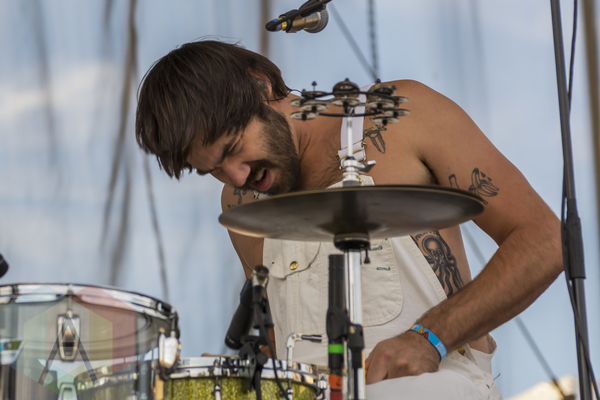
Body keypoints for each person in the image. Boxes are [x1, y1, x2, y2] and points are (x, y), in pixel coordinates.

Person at [135, 40, 562, 399]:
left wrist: (431, 337)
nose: (237, 176)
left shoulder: (398, 116)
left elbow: (545, 240)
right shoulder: (239, 203)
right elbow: (275, 351)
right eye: (212, 170)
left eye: (232, 149)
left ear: (260, 86)